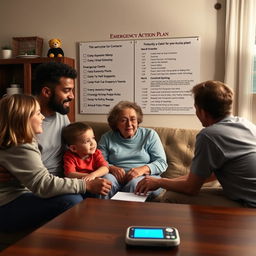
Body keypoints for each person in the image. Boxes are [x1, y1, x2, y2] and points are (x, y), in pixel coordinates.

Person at [136, 80, 256, 208]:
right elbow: (209, 175)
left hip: (250, 205)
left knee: (171, 197)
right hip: (246, 195)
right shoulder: (246, 124)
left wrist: (160, 182)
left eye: (196, 109)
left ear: (203, 112)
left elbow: (191, 188)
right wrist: (164, 181)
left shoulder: (209, 135)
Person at [0, 94, 111, 232]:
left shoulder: (24, 141)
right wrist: (85, 184)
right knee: (71, 200)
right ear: (23, 118)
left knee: (83, 195)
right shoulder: (20, 146)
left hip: (24, 194)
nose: (43, 117)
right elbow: (44, 185)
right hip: (7, 205)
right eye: (38, 113)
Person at [98, 101, 167, 199]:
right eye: (123, 120)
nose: (129, 124)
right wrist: (111, 168)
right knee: (106, 181)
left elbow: (162, 163)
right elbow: (98, 161)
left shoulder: (149, 135)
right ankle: (102, 213)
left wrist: (142, 170)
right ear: (116, 123)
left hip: (143, 177)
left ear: (138, 121)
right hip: (115, 177)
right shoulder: (107, 138)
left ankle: (126, 214)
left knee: (135, 184)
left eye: (133, 119)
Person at [34, 62, 76, 177]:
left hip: (64, 179)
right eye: (67, 90)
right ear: (47, 92)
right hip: (40, 184)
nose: (72, 96)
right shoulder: (23, 118)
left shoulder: (62, 115)